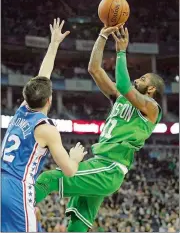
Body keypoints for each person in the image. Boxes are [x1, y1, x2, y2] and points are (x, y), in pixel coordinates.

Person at [35, 25, 165, 232]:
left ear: (151, 89)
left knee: (48, 178)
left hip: (110, 168)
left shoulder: (152, 108)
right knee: (79, 218)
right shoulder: (121, 98)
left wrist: (121, 51)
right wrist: (103, 35)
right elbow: (94, 69)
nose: (136, 80)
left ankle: (16, 209)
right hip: (100, 164)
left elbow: (124, 85)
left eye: (142, 80)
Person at [1, 18, 86, 232]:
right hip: (17, 188)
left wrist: (54, 43)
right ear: (50, 100)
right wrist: (74, 158)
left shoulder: (22, 108)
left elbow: (42, 77)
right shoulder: (47, 129)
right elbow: (68, 171)